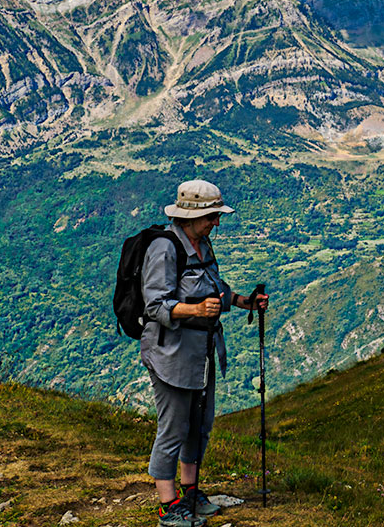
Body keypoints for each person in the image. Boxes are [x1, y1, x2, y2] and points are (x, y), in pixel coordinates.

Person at [141, 179, 269, 527]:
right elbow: (155, 305)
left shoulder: (202, 244)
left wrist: (244, 302)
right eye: (212, 216)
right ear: (191, 215)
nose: (217, 222)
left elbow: (214, 290)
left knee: (200, 424)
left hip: (203, 352)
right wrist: (195, 311)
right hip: (172, 352)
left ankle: (190, 490)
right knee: (173, 427)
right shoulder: (165, 248)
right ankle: (169, 507)